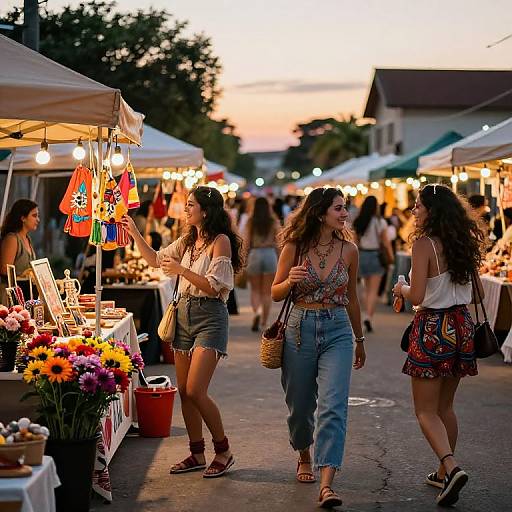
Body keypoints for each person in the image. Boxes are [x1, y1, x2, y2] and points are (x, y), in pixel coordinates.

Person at [121, 186, 243, 478]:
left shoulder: (221, 241)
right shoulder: (189, 240)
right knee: (185, 395)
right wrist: (135, 232)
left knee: (195, 390)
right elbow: (154, 260)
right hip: (184, 313)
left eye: (191, 205)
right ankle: (197, 452)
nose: (186, 209)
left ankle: (223, 450)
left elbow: (215, 286)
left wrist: (181, 270)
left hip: (210, 316)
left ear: (206, 210)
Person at [271, 187, 366, 508]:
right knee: (299, 407)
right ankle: (303, 453)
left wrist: (360, 339)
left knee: (333, 406)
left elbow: (352, 297)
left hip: (338, 329)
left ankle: (327, 484)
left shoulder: (350, 250)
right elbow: (275, 293)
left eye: (345, 208)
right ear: (319, 212)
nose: (344, 213)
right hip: (300, 328)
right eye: (338, 208)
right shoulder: (294, 247)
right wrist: (290, 281)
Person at [392, 184, 485, 507]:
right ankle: (442, 472)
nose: (414, 210)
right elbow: (479, 295)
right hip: (461, 325)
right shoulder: (464, 243)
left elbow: (416, 297)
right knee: (446, 407)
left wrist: (401, 287)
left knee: (425, 410)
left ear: (431, 211)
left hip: (433, 326)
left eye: (418, 205)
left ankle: (451, 466)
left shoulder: (424, 245)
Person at [352, 196, 394, 332]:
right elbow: (386, 242)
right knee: (373, 291)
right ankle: (368, 317)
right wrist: (391, 257)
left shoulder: (359, 221)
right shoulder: (380, 222)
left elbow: (355, 243)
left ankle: (365, 314)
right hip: (376, 256)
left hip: (362, 255)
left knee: (364, 289)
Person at [244, 197, 280, 331]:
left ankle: (257, 313)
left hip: (255, 254)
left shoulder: (251, 222)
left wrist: (244, 259)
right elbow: (278, 243)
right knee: (266, 292)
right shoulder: (273, 221)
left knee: (255, 290)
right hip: (270, 254)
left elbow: (247, 242)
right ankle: (264, 321)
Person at [0, 199, 39, 303]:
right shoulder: (12, 238)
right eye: (34, 216)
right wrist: (25, 274)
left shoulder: (27, 238)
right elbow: (5, 270)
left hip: (26, 294)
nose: (38, 219)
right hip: (10, 297)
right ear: (23, 218)